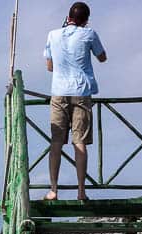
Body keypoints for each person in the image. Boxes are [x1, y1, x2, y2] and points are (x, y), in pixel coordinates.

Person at [43, 2, 107, 201]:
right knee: (79, 143)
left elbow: (49, 66)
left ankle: (53, 190)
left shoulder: (53, 35)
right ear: (86, 19)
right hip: (81, 92)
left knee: (56, 142)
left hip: (59, 92)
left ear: (68, 17)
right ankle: (81, 191)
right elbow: (102, 58)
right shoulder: (90, 34)